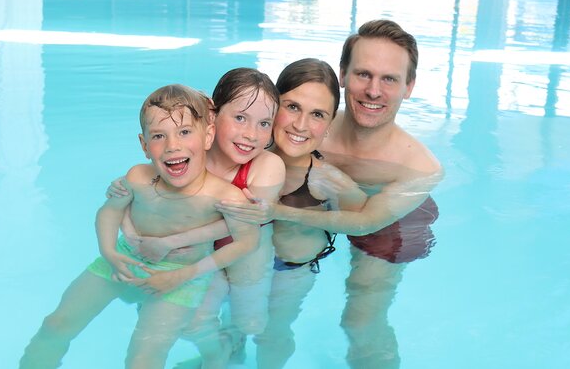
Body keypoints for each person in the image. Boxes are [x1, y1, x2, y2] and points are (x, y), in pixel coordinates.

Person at [217, 20, 443, 368]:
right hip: (315, 202)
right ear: (343, 74)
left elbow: (367, 221)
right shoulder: (308, 123)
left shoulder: (420, 167)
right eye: (363, 74)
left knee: (361, 320)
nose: (373, 90)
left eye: (390, 79)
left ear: (409, 86)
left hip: (388, 221)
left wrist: (277, 210)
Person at [19, 84, 260, 369]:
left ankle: (223, 349)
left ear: (207, 136)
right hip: (124, 258)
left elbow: (247, 242)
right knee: (55, 323)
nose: (173, 145)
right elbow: (108, 213)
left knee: (143, 358)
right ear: (144, 145)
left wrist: (185, 274)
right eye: (159, 136)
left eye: (184, 132)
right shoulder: (138, 178)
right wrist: (109, 251)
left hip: (180, 277)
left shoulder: (224, 196)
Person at [109, 69, 285, 363]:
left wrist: (172, 241)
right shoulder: (191, 150)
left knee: (250, 322)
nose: (251, 134)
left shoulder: (268, 165)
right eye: (240, 118)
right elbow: (152, 183)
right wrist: (124, 202)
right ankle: (216, 347)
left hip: (247, 248)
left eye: (264, 123)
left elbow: (242, 224)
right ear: (212, 118)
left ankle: (233, 340)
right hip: (200, 250)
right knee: (189, 321)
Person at [253, 58, 366, 369]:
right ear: (273, 106)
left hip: (290, 271)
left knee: (271, 332)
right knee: (231, 320)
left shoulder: (328, 181)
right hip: (243, 266)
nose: (300, 125)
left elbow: (364, 223)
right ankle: (228, 354)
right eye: (292, 106)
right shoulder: (247, 156)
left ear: (329, 124)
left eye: (317, 114)